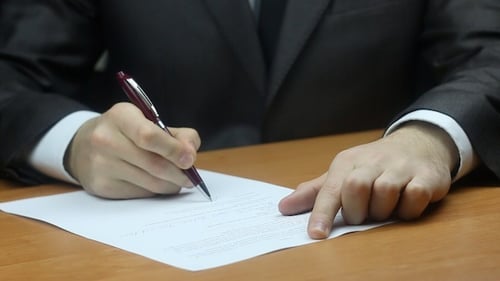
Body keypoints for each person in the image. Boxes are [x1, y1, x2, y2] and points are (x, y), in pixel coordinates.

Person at [0, 1, 499, 239]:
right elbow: (13, 75)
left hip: (379, 239)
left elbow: (488, 55)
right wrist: (74, 142)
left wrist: (431, 136)